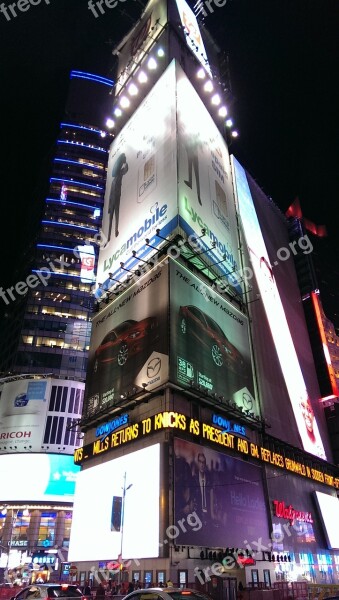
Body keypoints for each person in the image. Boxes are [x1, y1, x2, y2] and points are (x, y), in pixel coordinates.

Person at [106, 152, 129, 242]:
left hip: (117, 197)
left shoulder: (120, 174)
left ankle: (116, 230)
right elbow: (110, 195)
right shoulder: (113, 181)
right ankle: (108, 237)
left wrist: (125, 162)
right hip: (112, 200)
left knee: (117, 214)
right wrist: (109, 207)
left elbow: (126, 169)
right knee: (111, 218)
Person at [192, 451, 214, 525]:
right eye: (200, 462)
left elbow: (211, 497)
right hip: (197, 513)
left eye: (203, 462)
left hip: (207, 514)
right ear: (198, 463)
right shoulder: (194, 479)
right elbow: (192, 497)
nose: (202, 464)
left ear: (205, 464)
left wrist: (212, 514)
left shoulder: (209, 479)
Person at [183, 133, 202, 206]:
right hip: (190, 154)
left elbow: (197, 144)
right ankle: (190, 183)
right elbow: (186, 145)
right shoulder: (188, 139)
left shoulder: (194, 139)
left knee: (196, 174)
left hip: (194, 155)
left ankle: (198, 195)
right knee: (189, 168)